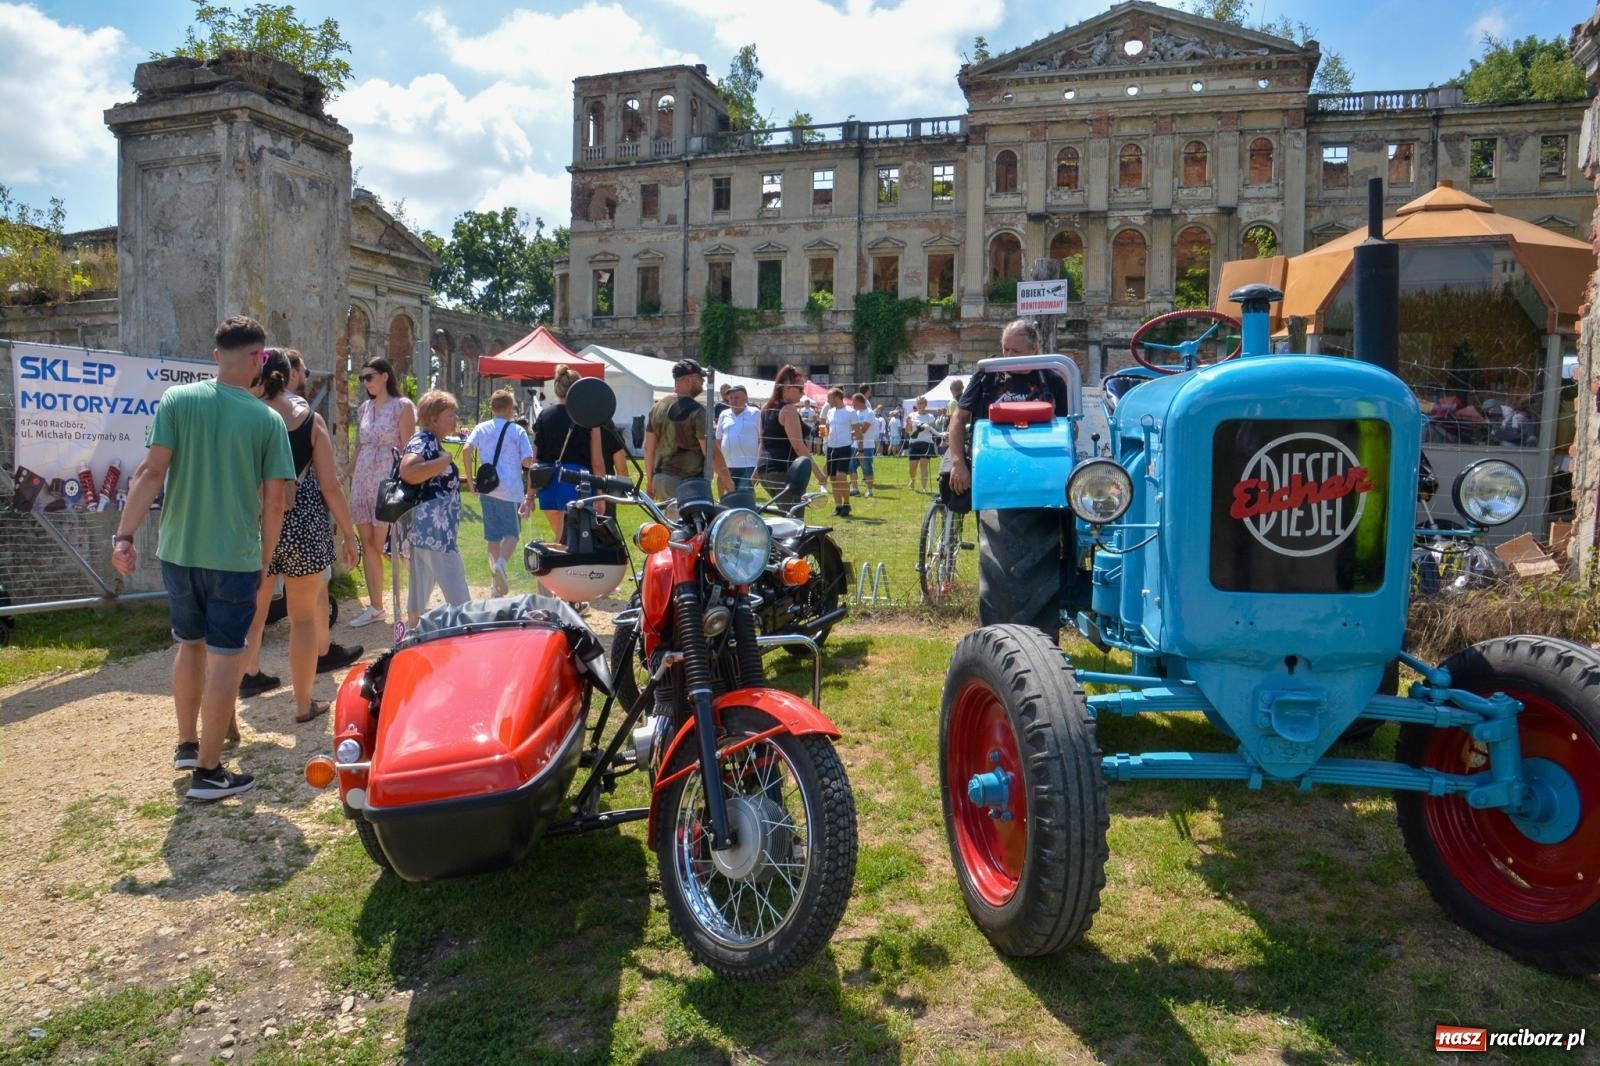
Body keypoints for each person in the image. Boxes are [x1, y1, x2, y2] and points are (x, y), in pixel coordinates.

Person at [110, 315, 294, 802]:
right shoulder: (267, 420)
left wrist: (124, 535)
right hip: (234, 557)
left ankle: (188, 746)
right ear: (258, 359)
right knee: (226, 662)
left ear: (217, 355)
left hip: (178, 551)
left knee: (188, 646)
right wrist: (267, 562)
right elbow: (275, 502)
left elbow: (150, 472)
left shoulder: (176, 399)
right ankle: (209, 773)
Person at [237, 349, 362, 721]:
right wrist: (349, 534)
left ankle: (240, 682)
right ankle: (304, 703)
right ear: (288, 374)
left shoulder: (244, 414)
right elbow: (330, 487)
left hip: (254, 522)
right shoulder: (309, 418)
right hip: (302, 524)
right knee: (303, 617)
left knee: (251, 615)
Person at [947, 321, 1071, 496]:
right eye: (1006, 349)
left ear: (1034, 349)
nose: (1008, 356)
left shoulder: (1052, 381)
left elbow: (1070, 430)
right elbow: (958, 418)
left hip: (1040, 467)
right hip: (992, 464)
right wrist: (958, 464)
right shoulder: (987, 376)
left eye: (1016, 351)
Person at [345, 357, 416, 629]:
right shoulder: (364, 408)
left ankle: (411, 604)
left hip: (388, 479)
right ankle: (376, 607)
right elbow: (360, 446)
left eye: (369, 376)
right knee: (370, 545)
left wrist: (408, 482)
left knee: (392, 545)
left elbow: (410, 447)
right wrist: (344, 473)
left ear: (385, 375)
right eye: (363, 377)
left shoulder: (402, 406)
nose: (365, 382)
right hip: (363, 479)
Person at [400, 391, 470, 630]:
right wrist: (445, 460)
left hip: (426, 529)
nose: (455, 418)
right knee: (457, 590)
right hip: (435, 532)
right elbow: (408, 471)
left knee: (420, 587)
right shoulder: (425, 441)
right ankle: (466, 636)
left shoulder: (428, 440)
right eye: (450, 415)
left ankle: (411, 636)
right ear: (433, 419)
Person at [463, 388, 536, 597]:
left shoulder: (481, 427)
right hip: (510, 488)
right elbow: (527, 461)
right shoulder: (517, 431)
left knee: (492, 537)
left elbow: (467, 450)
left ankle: (494, 585)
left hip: (488, 487)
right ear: (510, 408)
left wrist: (470, 480)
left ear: (492, 408)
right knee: (512, 534)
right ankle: (501, 566)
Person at [531, 365, 605, 542]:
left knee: (560, 538)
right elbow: (597, 461)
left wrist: (530, 493)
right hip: (576, 481)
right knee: (573, 542)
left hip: (547, 480)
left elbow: (535, 457)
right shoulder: (588, 417)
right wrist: (600, 491)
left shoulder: (544, 415)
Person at [644, 358, 732, 500]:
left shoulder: (657, 407)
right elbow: (711, 452)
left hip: (660, 479)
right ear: (689, 380)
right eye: (700, 378)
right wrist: (729, 484)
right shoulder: (698, 411)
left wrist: (650, 480)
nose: (703, 382)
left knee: (669, 522)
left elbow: (649, 448)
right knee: (697, 522)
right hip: (686, 484)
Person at [757, 364, 814, 502]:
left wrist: (757, 469)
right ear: (787, 387)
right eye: (800, 389)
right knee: (795, 519)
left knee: (786, 515)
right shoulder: (788, 410)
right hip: (784, 470)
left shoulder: (766, 408)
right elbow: (798, 446)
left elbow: (763, 442)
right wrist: (818, 474)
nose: (803, 393)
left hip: (765, 470)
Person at [716, 384, 761, 492]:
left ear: (746, 398)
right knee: (728, 497)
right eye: (731, 398)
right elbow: (718, 439)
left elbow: (762, 439)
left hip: (748, 464)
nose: (733, 401)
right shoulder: (724, 414)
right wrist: (719, 462)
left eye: (737, 398)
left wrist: (759, 465)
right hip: (727, 464)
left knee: (745, 496)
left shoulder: (755, 413)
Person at [822, 387, 857, 516]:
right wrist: (822, 435)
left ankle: (847, 503)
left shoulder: (850, 412)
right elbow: (825, 425)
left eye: (829, 397)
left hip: (844, 447)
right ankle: (838, 506)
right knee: (833, 478)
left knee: (841, 476)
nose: (827, 400)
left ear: (837, 397)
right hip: (831, 447)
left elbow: (856, 430)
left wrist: (861, 448)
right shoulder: (830, 411)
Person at [905, 396, 938, 492]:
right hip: (914, 443)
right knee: (913, 466)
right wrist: (908, 423)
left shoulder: (930, 417)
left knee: (924, 465)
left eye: (922, 403)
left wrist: (929, 426)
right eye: (918, 403)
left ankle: (924, 487)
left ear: (925, 405)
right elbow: (908, 431)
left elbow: (933, 430)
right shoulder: (911, 415)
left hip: (927, 443)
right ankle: (912, 480)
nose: (920, 405)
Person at [850, 392, 878, 497]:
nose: (852, 404)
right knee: (851, 467)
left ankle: (869, 490)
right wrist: (854, 431)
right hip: (855, 445)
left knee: (866, 467)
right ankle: (855, 489)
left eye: (854, 402)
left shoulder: (869, 413)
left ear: (859, 402)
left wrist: (852, 432)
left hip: (867, 446)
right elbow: (854, 428)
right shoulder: (856, 413)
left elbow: (864, 430)